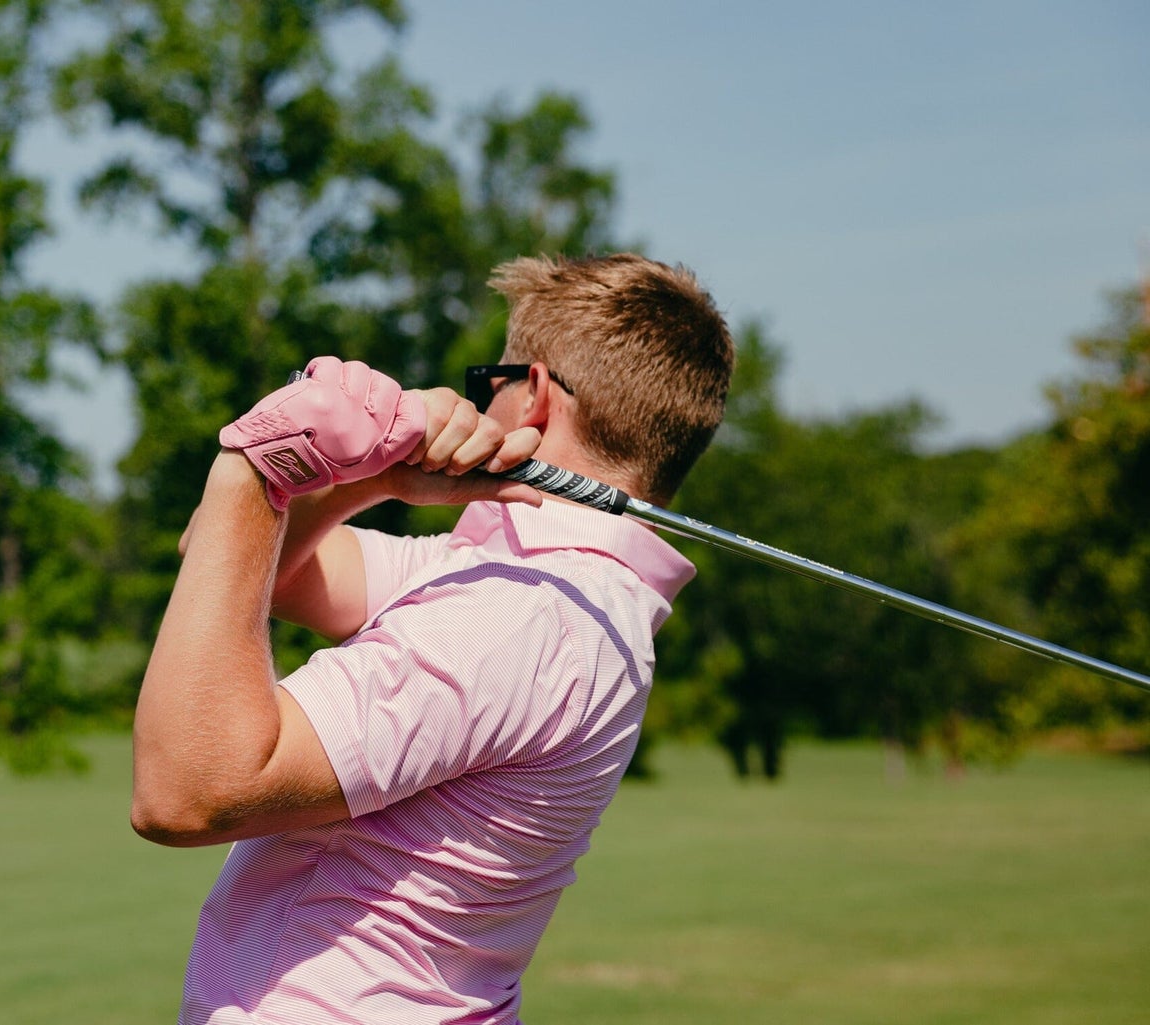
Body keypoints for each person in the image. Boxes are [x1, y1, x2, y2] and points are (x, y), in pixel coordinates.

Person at [131, 253, 736, 1024]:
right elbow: (234, 564)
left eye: (490, 383)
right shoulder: (534, 586)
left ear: (534, 395)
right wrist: (374, 476)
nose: (480, 402)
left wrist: (258, 466)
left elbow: (187, 793)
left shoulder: (518, 615)